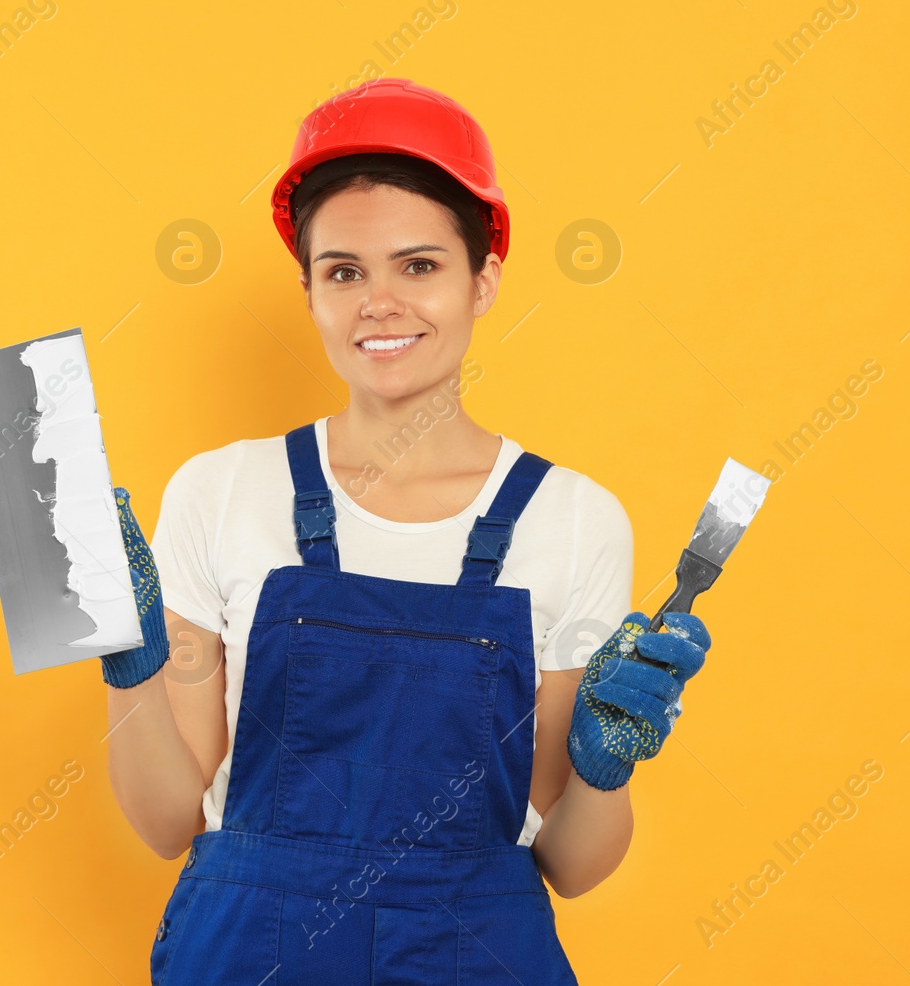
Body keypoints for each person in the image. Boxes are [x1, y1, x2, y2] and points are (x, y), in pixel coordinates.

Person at [100, 77, 712, 983]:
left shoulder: (573, 518)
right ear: (307, 289)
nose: (377, 303)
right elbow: (163, 822)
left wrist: (606, 766)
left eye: (418, 265)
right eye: (344, 271)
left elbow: (575, 865)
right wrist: (130, 664)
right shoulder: (219, 491)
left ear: (485, 279)